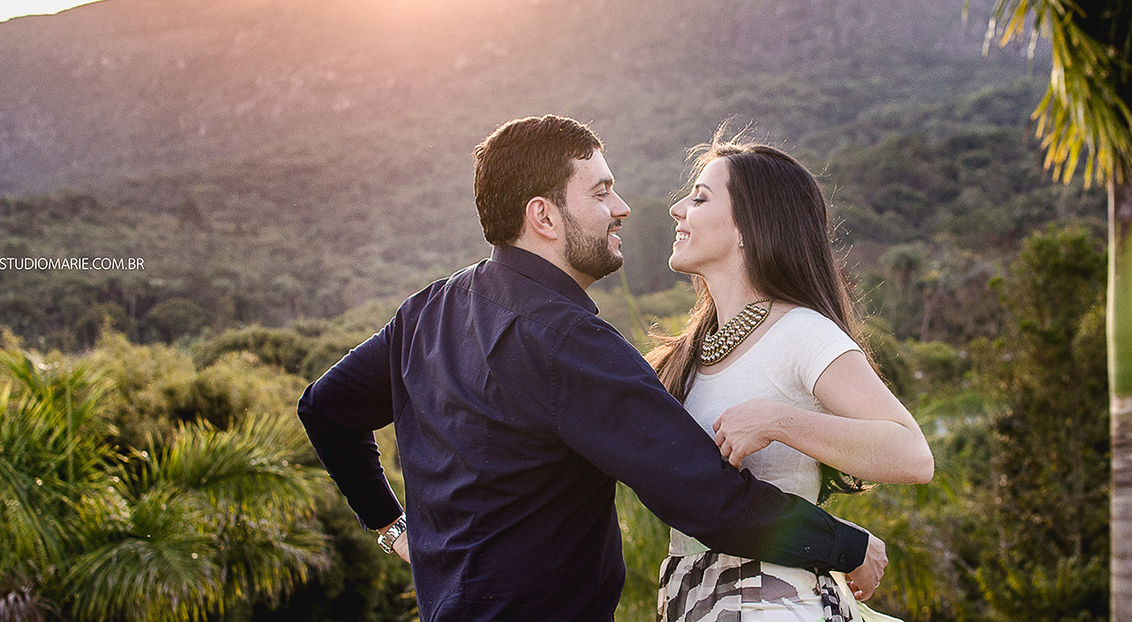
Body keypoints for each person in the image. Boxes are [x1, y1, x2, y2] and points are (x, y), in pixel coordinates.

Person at [298, 115, 886, 622]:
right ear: (545, 217)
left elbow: (325, 410)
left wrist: (392, 527)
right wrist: (845, 544)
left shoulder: (431, 309)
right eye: (601, 192)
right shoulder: (568, 341)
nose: (622, 208)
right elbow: (707, 498)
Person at [648, 134, 934, 621]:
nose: (678, 209)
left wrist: (778, 421)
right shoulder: (683, 358)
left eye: (700, 197)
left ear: (748, 227)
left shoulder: (802, 332)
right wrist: (839, 536)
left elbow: (912, 455)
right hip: (692, 596)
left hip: (773, 603)